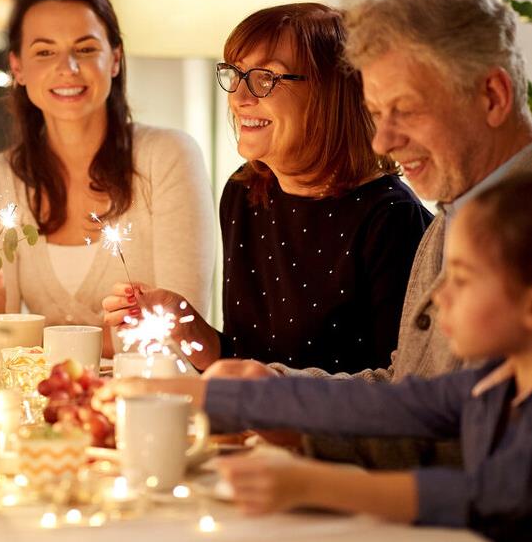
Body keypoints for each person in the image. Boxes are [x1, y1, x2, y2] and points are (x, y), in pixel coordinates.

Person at [199, 0, 532, 469]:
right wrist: (272, 391)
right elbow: (411, 393)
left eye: (405, 110)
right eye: (376, 112)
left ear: (492, 96)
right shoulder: (453, 215)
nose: (383, 141)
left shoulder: (464, 220)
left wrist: (289, 417)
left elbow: (475, 445)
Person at [102, 174, 532, 541]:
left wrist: (314, 484)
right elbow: (387, 405)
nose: (437, 296)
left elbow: (489, 497)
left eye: (462, 278)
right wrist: (190, 393)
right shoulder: (493, 381)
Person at [103, 4, 430, 373]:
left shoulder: (391, 219)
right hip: (254, 425)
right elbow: (243, 362)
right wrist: (184, 323)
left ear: (331, 92)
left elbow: (398, 389)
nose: (240, 97)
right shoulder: (245, 193)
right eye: (236, 74)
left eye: (265, 78)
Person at [0, 0, 215, 355]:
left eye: (85, 49)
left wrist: (43, 346)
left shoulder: (169, 157)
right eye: (45, 52)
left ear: (114, 59)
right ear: (18, 68)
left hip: (149, 400)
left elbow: (181, 336)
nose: (68, 69)